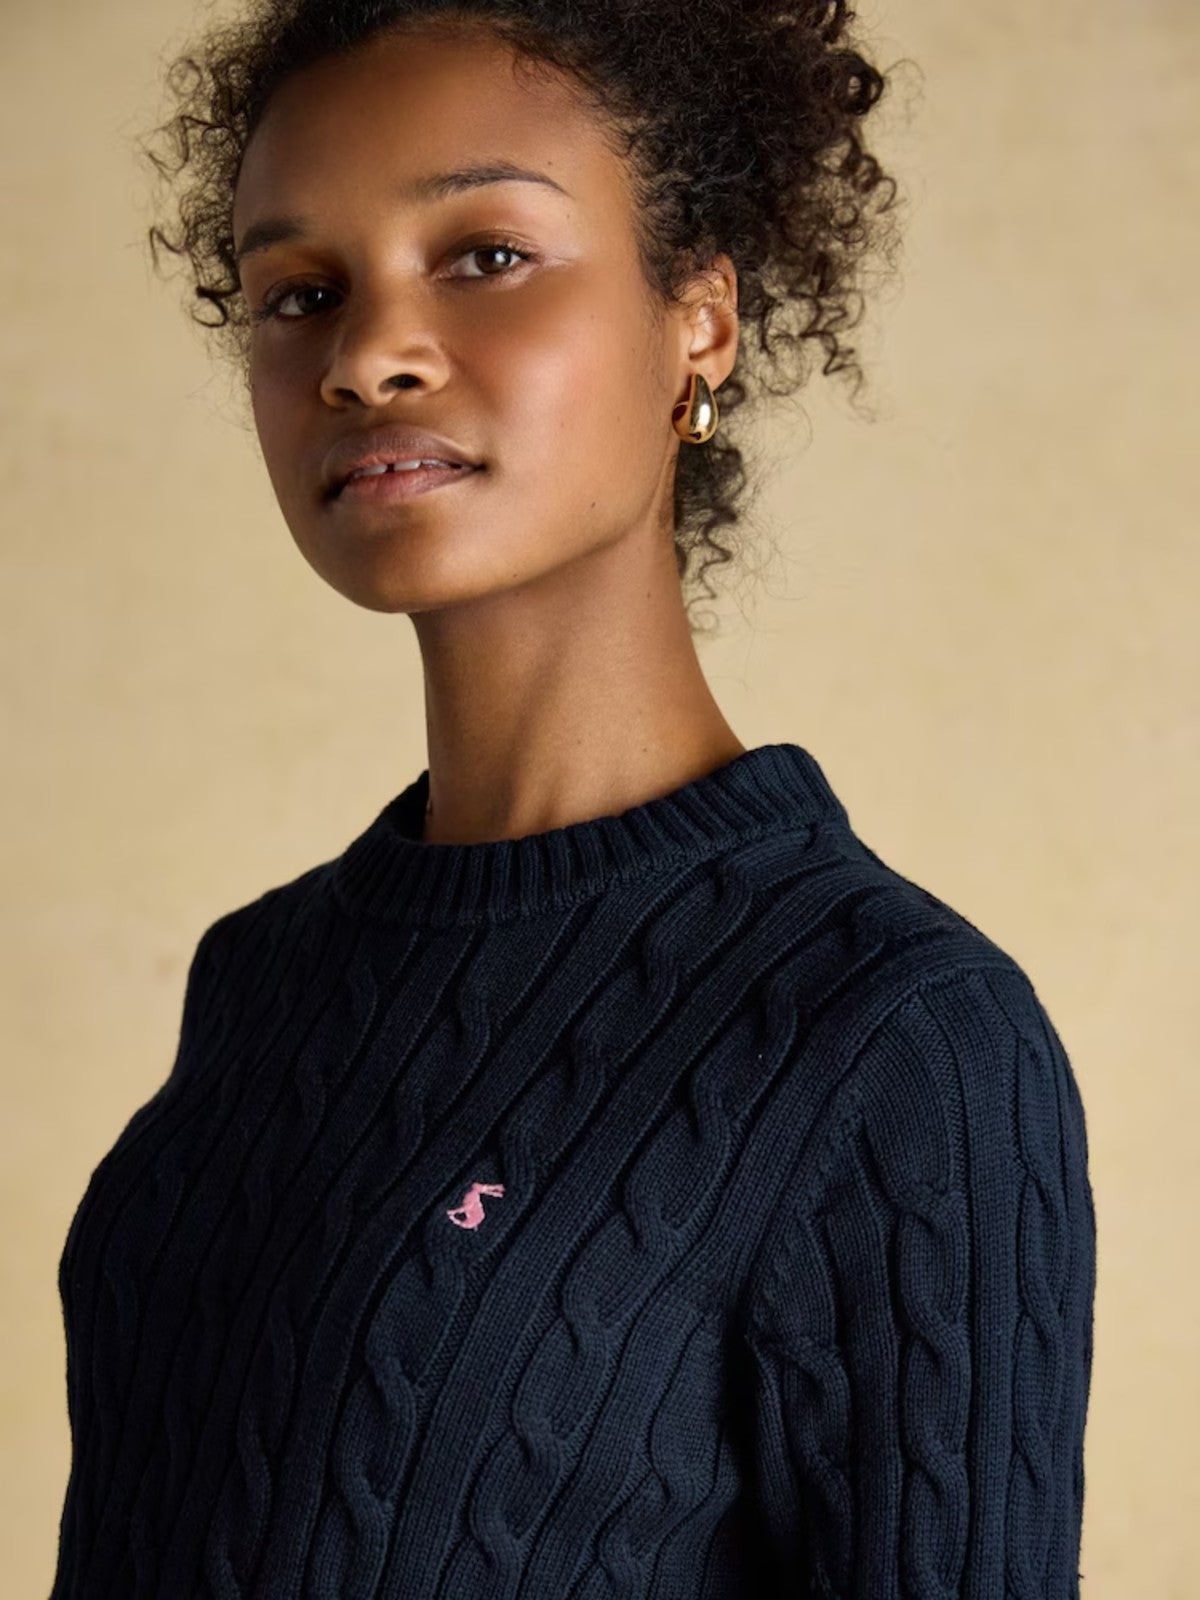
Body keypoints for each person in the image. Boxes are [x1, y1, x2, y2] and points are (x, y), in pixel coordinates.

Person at [48, 3, 1096, 1596]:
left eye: (486, 256)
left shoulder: (895, 1034)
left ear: (701, 322)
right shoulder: (261, 976)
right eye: (302, 293)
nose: (367, 357)